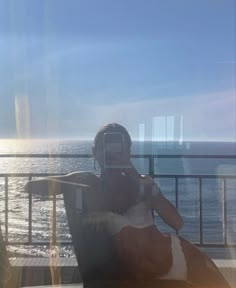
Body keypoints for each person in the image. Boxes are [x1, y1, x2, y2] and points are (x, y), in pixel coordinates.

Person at [25, 123, 229, 287]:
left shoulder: (142, 183)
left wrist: (137, 176)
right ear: (95, 152)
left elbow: (177, 222)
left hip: (175, 256)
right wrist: (75, 181)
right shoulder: (88, 182)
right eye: (107, 148)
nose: (112, 154)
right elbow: (32, 187)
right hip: (141, 275)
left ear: (128, 152)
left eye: (119, 149)